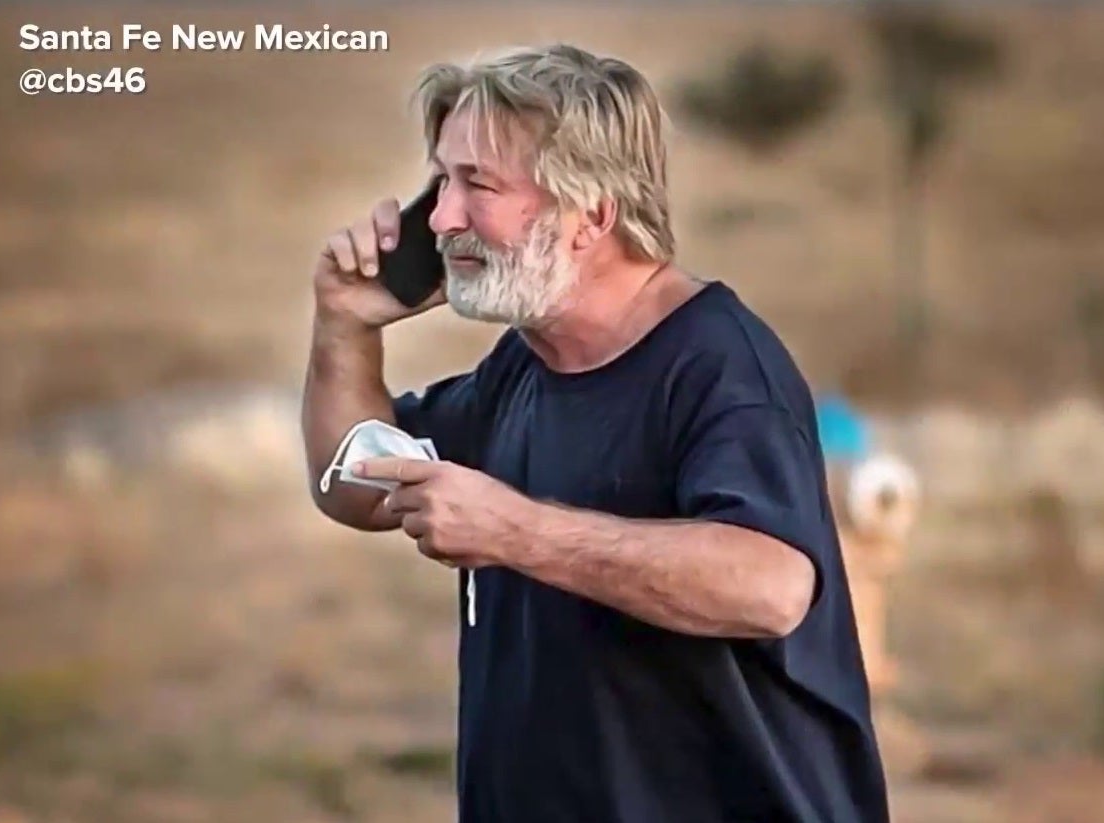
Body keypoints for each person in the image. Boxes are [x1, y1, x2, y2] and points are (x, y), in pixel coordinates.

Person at [301, 43, 889, 823]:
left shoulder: (718, 365)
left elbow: (771, 585)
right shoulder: (523, 366)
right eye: (440, 180)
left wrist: (514, 530)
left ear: (593, 215)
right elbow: (355, 486)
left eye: (477, 184)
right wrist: (344, 323)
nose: (441, 218)